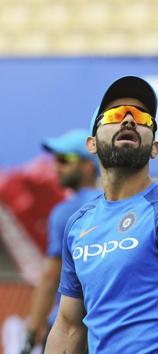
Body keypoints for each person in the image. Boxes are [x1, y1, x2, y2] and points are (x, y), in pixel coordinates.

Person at [45, 76, 158, 354]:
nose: (128, 121)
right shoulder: (78, 223)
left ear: (155, 147)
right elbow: (68, 326)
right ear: (91, 144)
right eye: (114, 115)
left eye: (141, 117)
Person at [21, 130, 100, 354]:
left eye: (65, 160)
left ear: (87, 165)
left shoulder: (66, 212)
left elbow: (50, 277)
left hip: (69, 331)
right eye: (56, 160)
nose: (56, 166)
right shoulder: (115, 206)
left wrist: (31, 333)